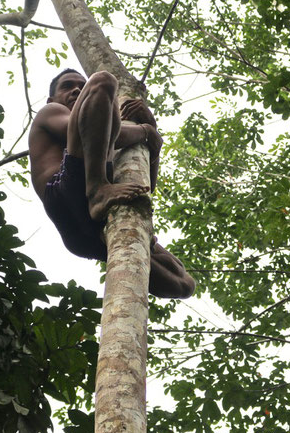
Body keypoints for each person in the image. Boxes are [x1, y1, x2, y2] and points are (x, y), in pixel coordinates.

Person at [28, 68, 195, 299]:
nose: (76, 89)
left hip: (86, 233)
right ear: (51, 98)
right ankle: (98, 189)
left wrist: (152, 138)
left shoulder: (100, 142)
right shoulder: (50, 111)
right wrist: (145, 130)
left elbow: (146, 186)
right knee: (102, 81)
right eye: (67, 86)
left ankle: (102, 193)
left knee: (184, 284)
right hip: (65, 193)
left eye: (79, 85)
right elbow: (87, 130)